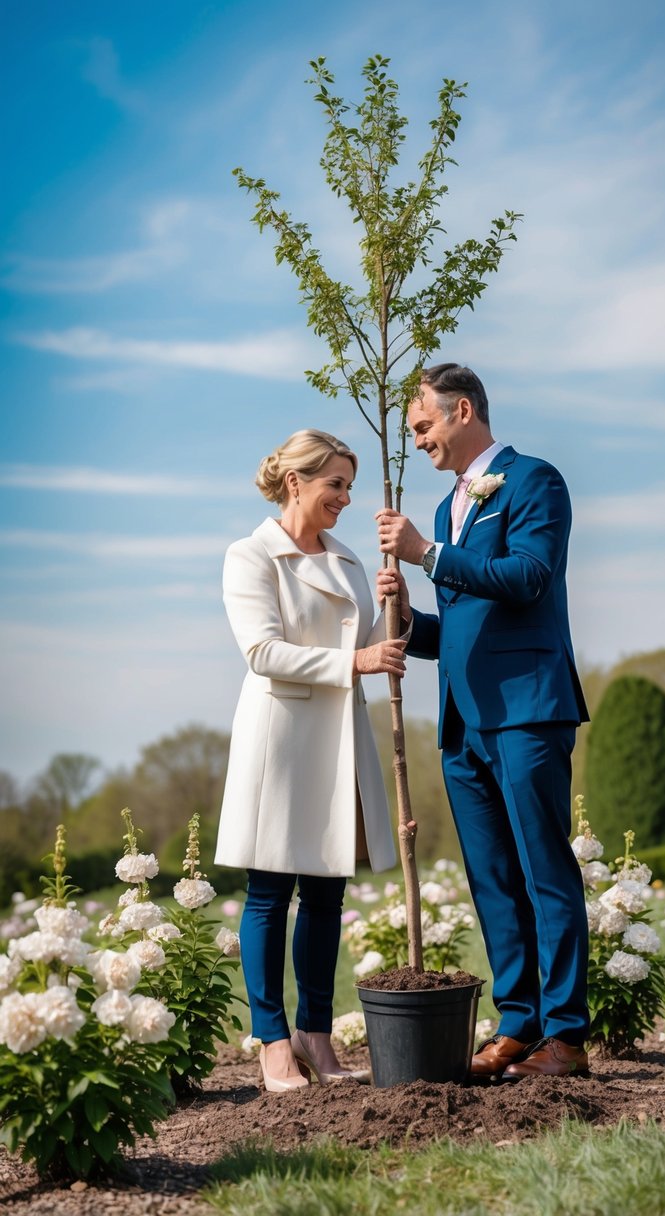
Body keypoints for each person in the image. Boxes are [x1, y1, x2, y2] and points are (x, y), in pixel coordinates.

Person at [376, 363, 590, 1081]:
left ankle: (565, 1037)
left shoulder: (534, 481)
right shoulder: (445, 510)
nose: (417, 441)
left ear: (462, 410)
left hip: (528, 709)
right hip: (462, 723)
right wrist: (407, 620)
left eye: (423, 426)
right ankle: (517, 1024)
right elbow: (464, 623)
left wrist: (428, 555)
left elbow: (528, 578)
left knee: (543, 872)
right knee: (491, 878)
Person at [215, 428, 405, 1093]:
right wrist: (352, 661)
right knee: (269, 891)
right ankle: (272, 1043)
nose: (346, 498)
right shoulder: (250, 555)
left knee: (327, 892)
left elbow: (382, 645)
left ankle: (316, 1039)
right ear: (295, 481)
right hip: (281, 738)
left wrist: (393, 601)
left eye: (350, 485)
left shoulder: (351, 562)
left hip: (340, 740)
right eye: (336, 485)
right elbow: (261, 652)